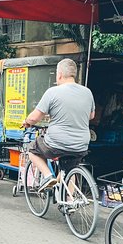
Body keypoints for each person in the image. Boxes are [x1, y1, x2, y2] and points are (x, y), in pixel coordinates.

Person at [22, 58, 95, 191]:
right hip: (81, 144)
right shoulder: (87, 92)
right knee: (69, 169)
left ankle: (48, 176)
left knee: (32, 149)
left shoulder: (53, 92)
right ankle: (70, 201)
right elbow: (91, 116)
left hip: (57, 143)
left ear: (59, 74)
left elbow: (34, 118)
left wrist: (27, 122)